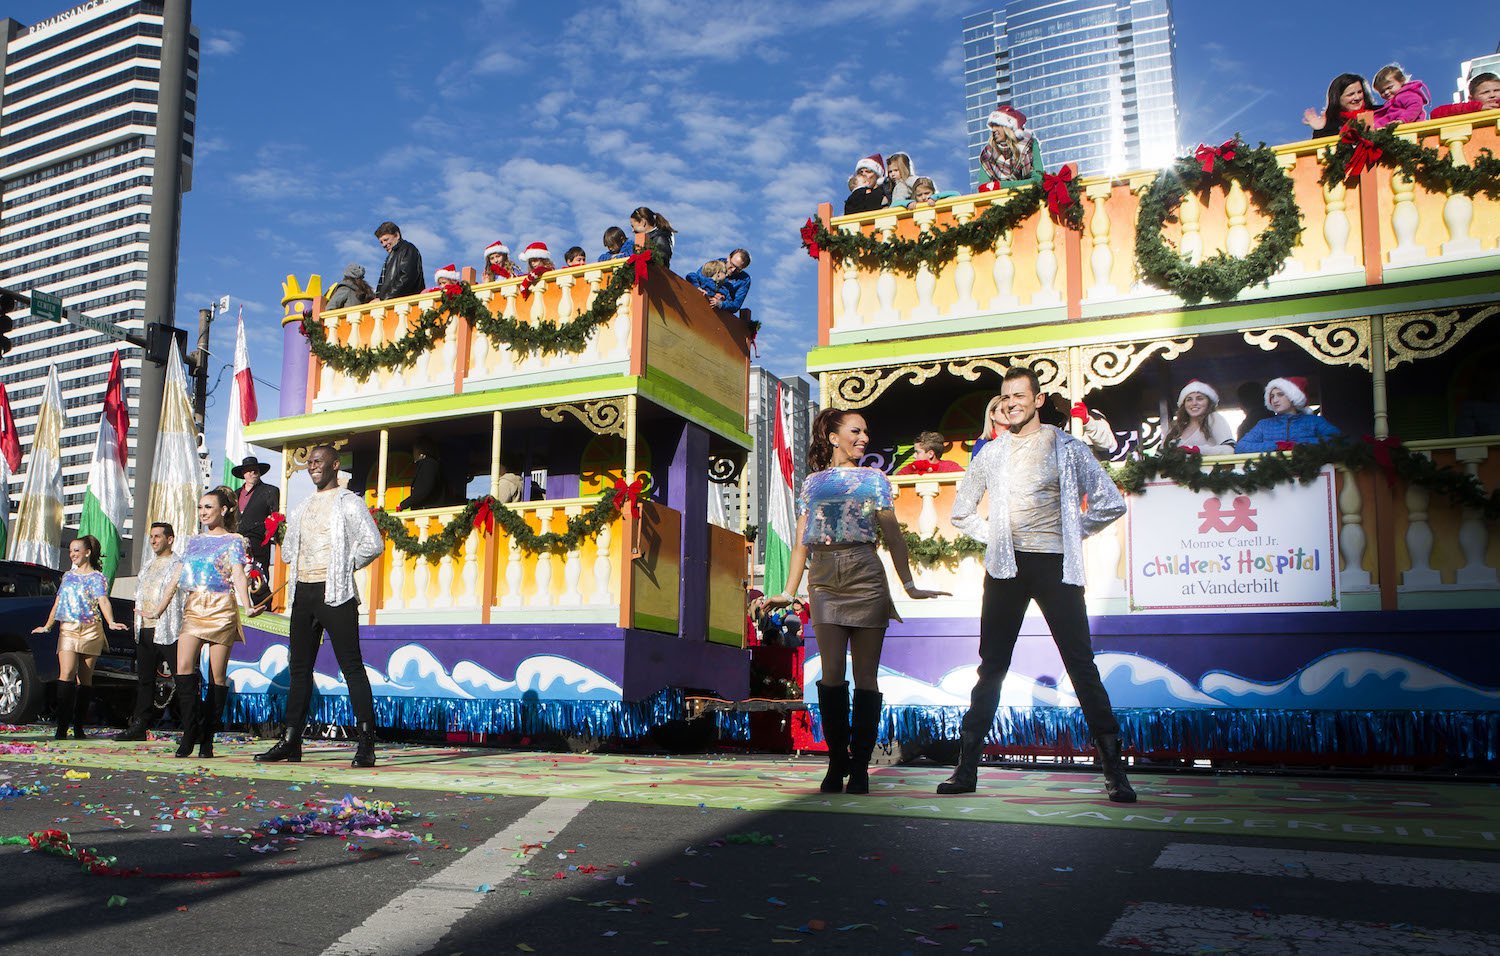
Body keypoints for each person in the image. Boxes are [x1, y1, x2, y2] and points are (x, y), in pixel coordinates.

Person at [939, 367, 1135, 802]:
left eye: (1018, 396)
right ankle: (966, 768)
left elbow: (1110, 502)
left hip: (1056, 566)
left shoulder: (1068, 448)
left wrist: (1072, 530)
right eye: (1005, 398)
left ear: (1038, 399)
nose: (1010, 403)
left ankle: (1115, 773)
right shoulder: (990, 453)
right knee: (991, 665)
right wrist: (997, 536)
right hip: (1006, 567)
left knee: (1081, 664)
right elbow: (962, 511)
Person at [761, 409, 947, 795]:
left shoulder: (874, 479)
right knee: (830, 676)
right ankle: (835, 762)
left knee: (866, 677)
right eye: (856, 431)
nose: (863, 438)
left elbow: (893, 536)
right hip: (825, 579)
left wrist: (909, 586)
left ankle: (859, 766)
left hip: (866, 574)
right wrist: (789, 590)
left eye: (866, 432)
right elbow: (801, 542)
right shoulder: (812, 483)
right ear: (832, 436)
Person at [256, 445, 385, 768]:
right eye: (310, 462)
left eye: (319, 461)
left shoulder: (349, 502)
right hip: (304, 592)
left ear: (334, 465)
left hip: (336, 593)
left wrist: (342, 565)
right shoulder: (302, 507)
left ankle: (366, 742)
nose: (313, 466)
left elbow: (374, 543)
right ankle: (290, 740)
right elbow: (288, 553)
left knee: (351, 666)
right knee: (299, 669)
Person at [147, 488, 260, 759]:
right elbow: (177, 575)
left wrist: (247, 606)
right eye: (200, 508)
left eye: (208, 507)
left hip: (221, 607)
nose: (203, 512)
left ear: (223, 510)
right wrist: (159, 607)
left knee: (217, 676)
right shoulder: (194, 541)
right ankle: (189, 733)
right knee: (183, 669)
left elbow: (238, 575)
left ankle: (207, 737)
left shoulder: (235, 540)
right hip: (194, 607)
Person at [31, 536, 127, 740]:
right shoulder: (67, 576)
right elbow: (58, 603)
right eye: (71, 551)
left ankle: (78, 725)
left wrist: (110, 622)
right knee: (66, 673)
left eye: (76, 550)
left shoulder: (97, 577)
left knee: (85, 678)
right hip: (68, 628)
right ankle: (61, 726)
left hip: (92, 629)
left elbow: (103, 601)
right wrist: (47, 626)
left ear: (87, 552)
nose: (73, 554)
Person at [113, 523, 184, 741]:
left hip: (168, 629)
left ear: (170, 539)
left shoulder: (178, 564)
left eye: (158, 536)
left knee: (182, 677)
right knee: (145, 679)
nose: (153, 541)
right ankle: (139, 725)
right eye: (151, 536)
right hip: (144, 628)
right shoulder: (148, 565)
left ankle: (192, 725)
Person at [1235, 376, 1343, 453]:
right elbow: (1241, 447)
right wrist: (1277, 446)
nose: (1275, 400)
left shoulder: (1314, 421)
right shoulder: (1264, 425)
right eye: (1272, 396)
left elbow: (1339, 441)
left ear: (1293, 397)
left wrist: (1299, 445)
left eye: (1280, 395)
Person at [233, 455, 280, 606]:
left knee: (259, 583)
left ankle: (264, 611)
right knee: (235, 581)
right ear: (243, 474)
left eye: (254, 470)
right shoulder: (234, 494)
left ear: (259, 472)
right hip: (236, 545)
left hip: (258, 544)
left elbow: (274, 517)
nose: (251, 473)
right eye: (248, 471)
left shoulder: (270, 491)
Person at [978, 106, 1043, 191]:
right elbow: (983, 188)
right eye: (992, 126)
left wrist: (1000, 186)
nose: (993, 129)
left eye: (997, 125)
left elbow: (1039, 179)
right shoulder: (987, 154)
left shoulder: (1029, 145)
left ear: (1009, 127)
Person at [1163, 380, 1235, 451]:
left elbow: (1229, 449)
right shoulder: (1175, 426)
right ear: (1184, 404)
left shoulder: (1213, 418)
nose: (1194, 403)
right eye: (1189, 400)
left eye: (1199, 399)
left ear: (1208, 402)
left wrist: (1197, 450)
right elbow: (1160, 454)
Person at [1302, 74, 1374, 138]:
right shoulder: (1331, 123)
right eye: (1351, 94)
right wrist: (1319, 130)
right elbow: (1325, 150)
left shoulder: (1378, 111)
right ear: (1338, 98)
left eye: (1359, 92)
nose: (1357, 98)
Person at [373, 220, 424, 300]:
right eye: (381, 242)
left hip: (404, 304)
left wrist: (385, 299)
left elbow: (407, 278)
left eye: (386, 240)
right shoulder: (391, 256)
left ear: (397, 235)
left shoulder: (408, 249)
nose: (384, 245)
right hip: (391, 305)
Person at [1372, 63, 1430, 128]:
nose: (1386, 92)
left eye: (1389, 87)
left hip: (1406, 126)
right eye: (1382, 91)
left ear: (1401, 81)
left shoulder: (1406, 94)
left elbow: (1415, 106)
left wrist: (1402, 120)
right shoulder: (1390, 102)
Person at [400, 440, 448, 510]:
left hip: (427, 510)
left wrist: (403, 505)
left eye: (414, 450)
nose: (413, 454)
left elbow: (424, 490)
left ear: (421, 451)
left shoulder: (429, 465)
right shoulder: (429, 464)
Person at [1432, 72, 1500, 120]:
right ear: (1471, 99)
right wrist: (1476, 107)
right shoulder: (1469, 110)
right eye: (1485, 92)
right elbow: (1435, 113)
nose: (1492, 95)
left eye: (1497, 90)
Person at [896, 431, 964, 475]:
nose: (914, 456)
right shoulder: (911, 469)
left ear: (930, 454)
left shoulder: (950, 468)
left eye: (917, 452)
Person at [713, 249, 752, 313]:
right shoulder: (716, 264)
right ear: (728, 258)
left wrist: (722, 303)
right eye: (732, 265)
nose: (733, 270)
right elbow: (699, 278)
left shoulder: (744, 280)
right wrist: (712, 293)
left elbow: (736, 305)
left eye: (738, 269)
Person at [971, 395, 1008, 461]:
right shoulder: (982, 443)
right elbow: (975, 469)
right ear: (992, 415)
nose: (1007, 413)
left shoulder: (1021, 437)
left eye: (1009, 409)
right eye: (1002, 410)